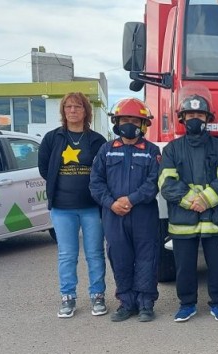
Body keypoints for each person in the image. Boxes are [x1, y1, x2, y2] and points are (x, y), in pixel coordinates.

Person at [159, 87, 218, 322]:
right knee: (184, 267)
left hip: (215, 221)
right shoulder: (172, 149)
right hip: (184, 221)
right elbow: (166, 183)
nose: (195, 120)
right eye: (190, 117)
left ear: (208, 119)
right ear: (182, 119)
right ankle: (187, 304)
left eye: (199, 116)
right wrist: (194, 201)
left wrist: (207, 199)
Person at [90, 98, 161, 322]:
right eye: (125, 119)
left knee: (146, 258)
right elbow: (96, 181)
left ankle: (146, 303)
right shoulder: (106, 150)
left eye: (134, 120)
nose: (129, 124)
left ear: (143, 124)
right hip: (113, 215)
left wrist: (131, 200)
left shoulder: (152, 151)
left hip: (143, 214)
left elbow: (154, 182)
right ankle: (126, 302)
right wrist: (111, 203)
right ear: (116, 122)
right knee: (119, 257)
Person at [38, 92, 107, 318]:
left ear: (86, 111)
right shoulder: (52, 138)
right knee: (67, 255)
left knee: (95, 253)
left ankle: (98, 295)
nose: (73, 111)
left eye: (77, 107)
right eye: (68, 107)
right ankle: (68, 297)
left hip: (92, 207)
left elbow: (105, 171)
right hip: (62, 207)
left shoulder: (97, 141)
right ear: (63, 111)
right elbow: (44, 169)